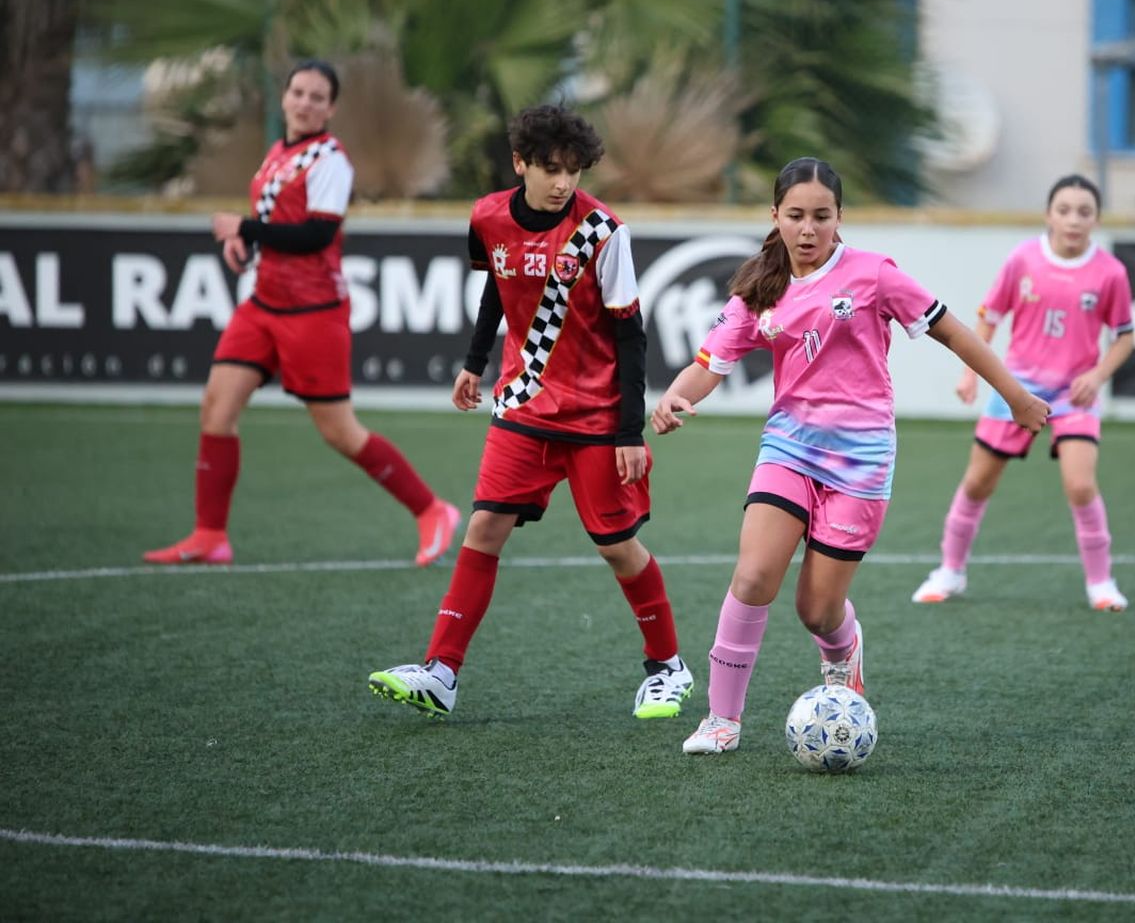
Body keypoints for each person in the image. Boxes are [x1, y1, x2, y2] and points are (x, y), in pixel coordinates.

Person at [653, 157, 1050, 755]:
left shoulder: (874, 275)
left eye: (821, 216)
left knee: (816, 610)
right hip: (788, 447)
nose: (808, 229)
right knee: (755, 574)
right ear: (775, 217)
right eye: (795, 216)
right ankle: (722, 720)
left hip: (861, 462)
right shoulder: (759, 286)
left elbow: (954, 332)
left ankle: (843, 650)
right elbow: (709, 365)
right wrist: (675, 398)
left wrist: (1016, 397)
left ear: (840, 218)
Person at [367, 104, 693, 721]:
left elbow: (632, 335)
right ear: (520, 164)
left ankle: (667, 668)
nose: (563, 182)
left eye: (572, 170)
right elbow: (499, 280)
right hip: (522, 403)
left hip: (597, 416)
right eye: (549, 168)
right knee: (484, 527)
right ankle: (441, 673)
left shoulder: (603, 230)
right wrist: (474, 360)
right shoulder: (487, 216)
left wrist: (629, 430)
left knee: (617, 547)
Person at [144, 60, 459, 568]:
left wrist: (247, 230)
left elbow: (316, 235)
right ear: (285, 97)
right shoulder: (278, 153)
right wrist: (247, 248)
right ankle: (210, 536)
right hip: (264, 304)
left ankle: (432, 510)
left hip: (314, 312)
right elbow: (277, 227)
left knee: (339, 432)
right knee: (216, 410)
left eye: (317, 97)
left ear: (330, 108)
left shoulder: (330, 159)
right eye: (298, 92)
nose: (306, 102)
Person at [910, 174, 1135, 611]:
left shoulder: (1111, 272)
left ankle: (1101, 584)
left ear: (1096, 220)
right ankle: (949, 571)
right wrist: (970, 374)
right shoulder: (1023, 260)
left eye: (1084, 212)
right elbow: (988, 318)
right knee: (977, 482)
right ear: (1049, 215)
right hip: (1015, 389)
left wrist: (1098, 375)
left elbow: (1125, 336)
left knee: (1080, 485)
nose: (1073, 220)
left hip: (1075, 396)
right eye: (1064, 210)